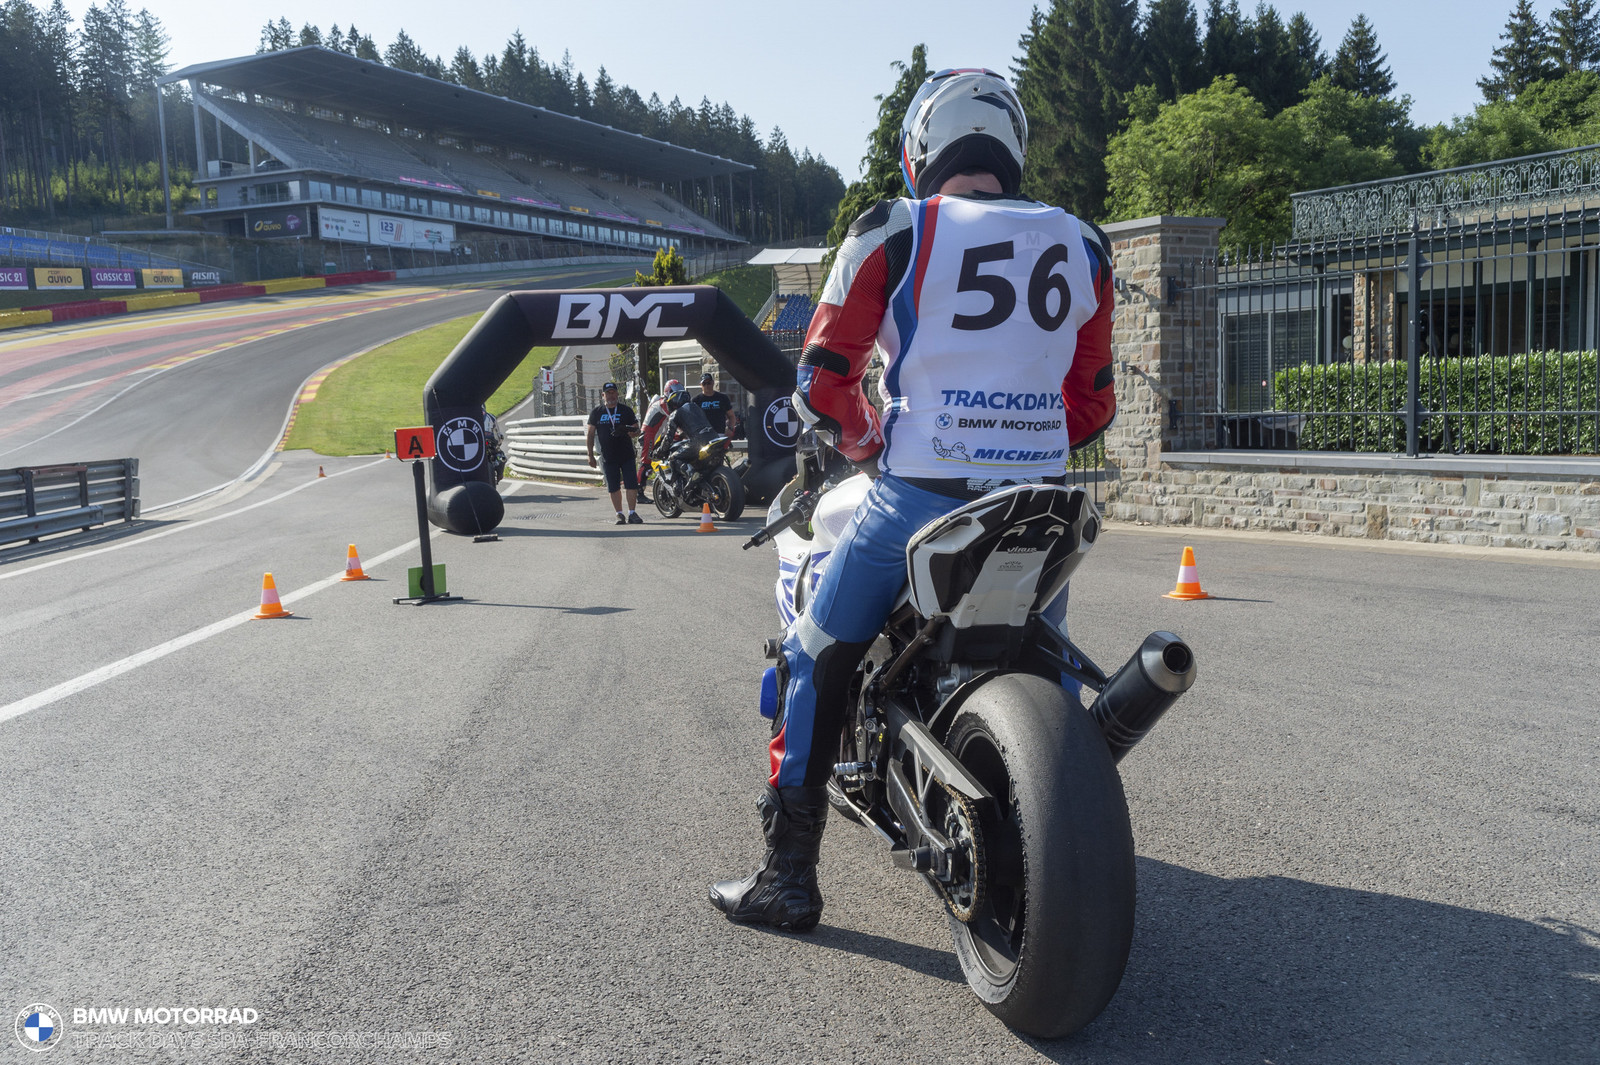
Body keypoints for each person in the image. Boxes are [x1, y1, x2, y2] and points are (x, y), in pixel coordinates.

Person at [708, 67, 1116, 931]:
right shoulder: (1085, 245)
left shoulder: (892, 230)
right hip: (1043, 500)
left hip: (918, 497)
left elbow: (822, 386)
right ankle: (1061, 802)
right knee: (1047, 649)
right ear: (1011, 150)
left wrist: (867, 438)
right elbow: (1095, 402)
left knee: (811, 655)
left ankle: (788, 875)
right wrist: (1024, 433)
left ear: (919, 150)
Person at [585, 381, 644, 524]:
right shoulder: (597, 412)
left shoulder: (625, 410)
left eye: (613, 392)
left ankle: (632, 513)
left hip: (626, 454)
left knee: (631, 484)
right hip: (608, 455)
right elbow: (591, 434)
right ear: (603, 395)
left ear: (617, 394)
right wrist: (590, 455)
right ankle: (619, 514)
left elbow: (636, 429)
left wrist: (632, 432)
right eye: (608, 393)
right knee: (613, 486)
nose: (611, 395)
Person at [692, 371, 739, 438]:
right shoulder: (696, 400)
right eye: (704, 384)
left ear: (713, 383)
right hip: (703, 435)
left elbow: (731, 416)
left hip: (720, 434)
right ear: (700, 385)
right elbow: (692, 419)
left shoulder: (722, 398)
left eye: (709, 383)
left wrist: (730, 429)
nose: (707, 386)